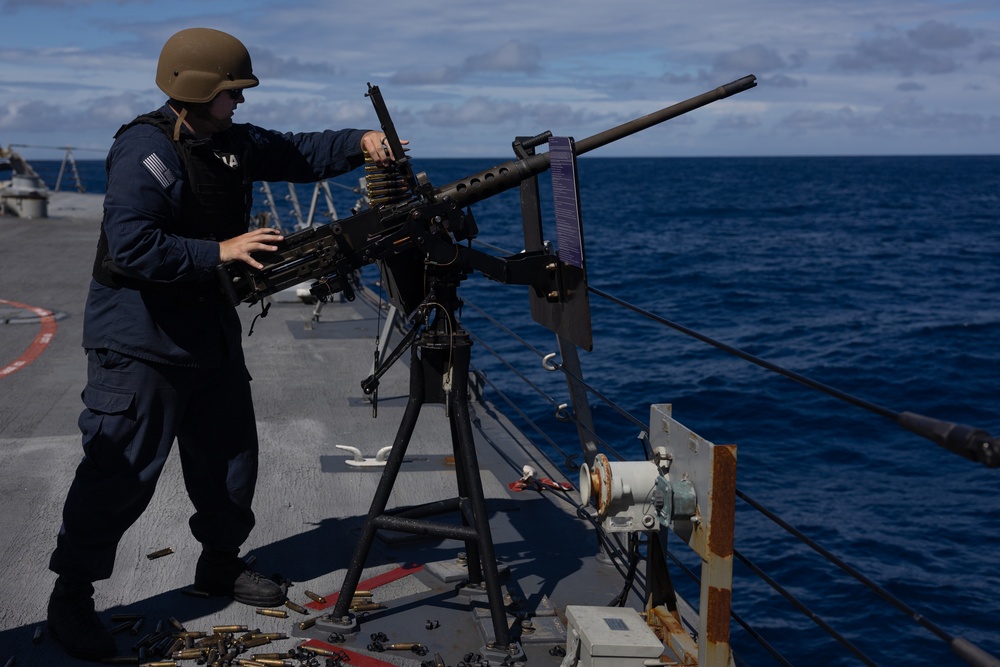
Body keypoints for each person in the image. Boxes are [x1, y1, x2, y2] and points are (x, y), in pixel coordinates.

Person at [46, 27, 400, 661]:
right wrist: (221, 250)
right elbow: (130, 244)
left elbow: (297, 151)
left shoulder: (228, 142)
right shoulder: (145, 152)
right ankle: (71, 598)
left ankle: (219, 563)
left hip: (208, 332)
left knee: (230, 463)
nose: (239, 103)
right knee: (119, 473)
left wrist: (362, 142)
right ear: (199, 89)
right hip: (141, 339)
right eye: (231, 92)